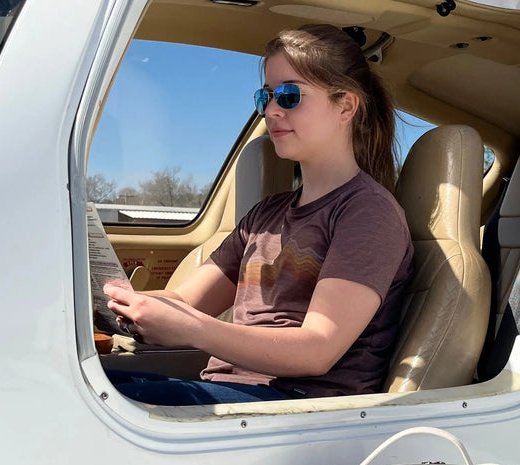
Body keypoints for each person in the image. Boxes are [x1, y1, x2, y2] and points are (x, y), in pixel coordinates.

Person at [104, 24, 414, 405]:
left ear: (345, 106)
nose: (270, 110)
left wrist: (196, 331)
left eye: (288, 95)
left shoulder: (368, 213)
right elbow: (186, 301)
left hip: (299, 407)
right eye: (264, 96)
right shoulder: (267, 213)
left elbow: (317, 350)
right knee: (83, 388)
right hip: (236, 394)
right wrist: (118, 302)